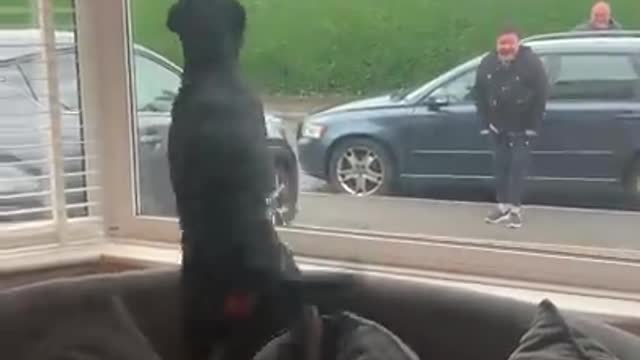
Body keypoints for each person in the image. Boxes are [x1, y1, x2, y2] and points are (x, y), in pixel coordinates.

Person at [474, 27, 549, 229]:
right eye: (502, 43)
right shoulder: (487, 63)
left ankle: (515, 209)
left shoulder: (531, 63)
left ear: (518, 44)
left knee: (517, 168)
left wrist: (533, 125)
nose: (506, 47)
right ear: (497, 44)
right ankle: (502, 206)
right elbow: (478, 94)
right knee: (500, 167)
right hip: (497, 127)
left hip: (523, 127)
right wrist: (484, 124)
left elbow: (541, 95)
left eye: (510, 43)